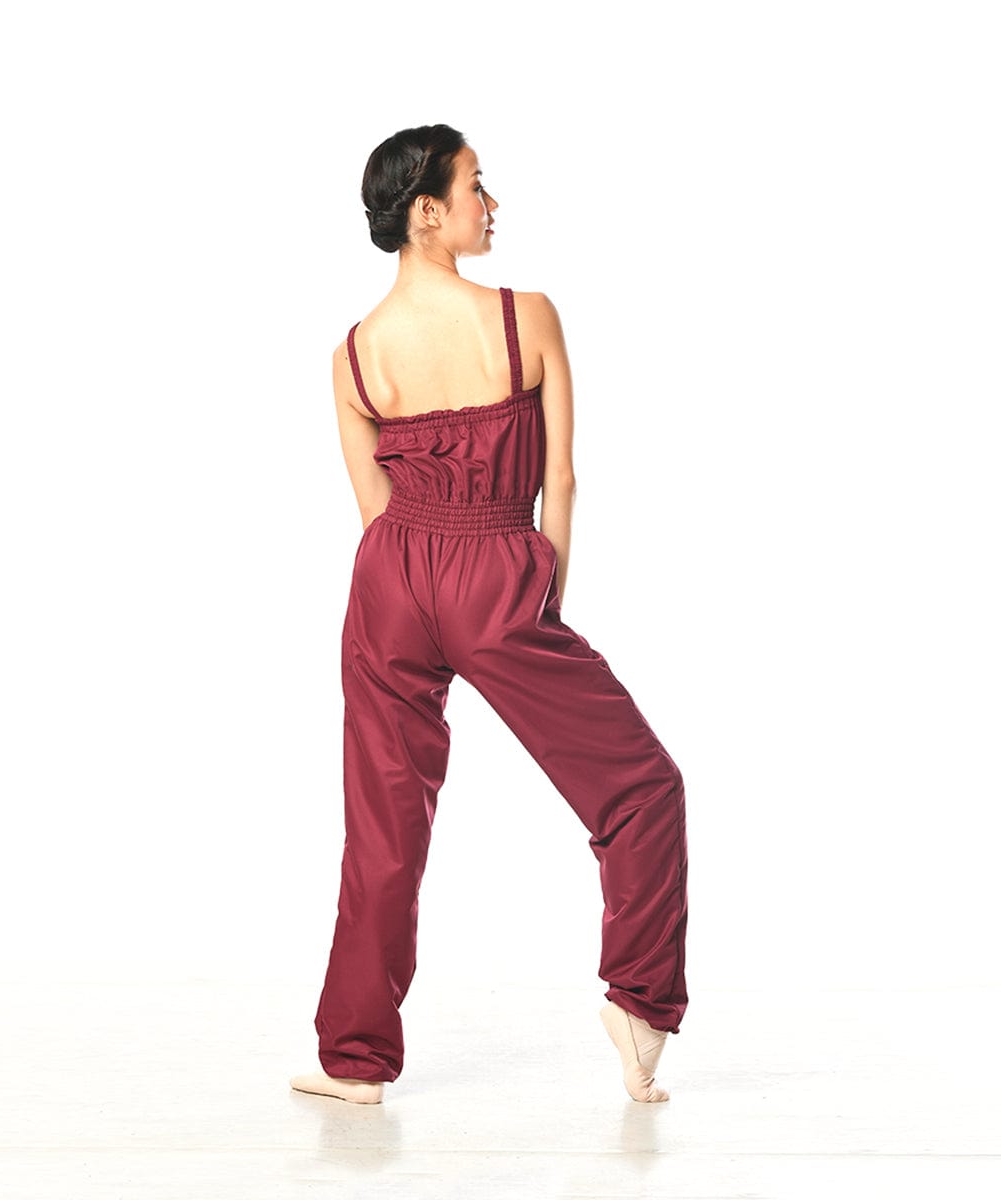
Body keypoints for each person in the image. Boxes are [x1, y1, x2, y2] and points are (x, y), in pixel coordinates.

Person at [289, 124, 688, 1105]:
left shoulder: (352, 356)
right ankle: (639, 1005)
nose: (492, 203)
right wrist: (535, 603)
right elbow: (562, 481)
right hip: (496, 568)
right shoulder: (526, 318)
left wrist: (422, 583)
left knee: (383, 830)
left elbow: (374, 511)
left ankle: (353, 1062)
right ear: (428, 213)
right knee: (640, 787)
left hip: (390, 580)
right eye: (476, 185)